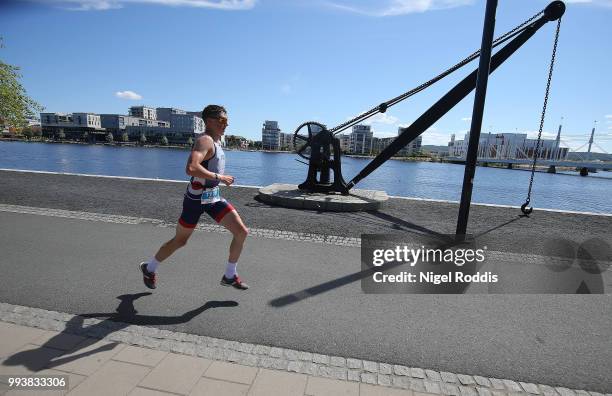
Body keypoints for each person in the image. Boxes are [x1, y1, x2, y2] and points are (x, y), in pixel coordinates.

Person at [140, 105, 249, 290]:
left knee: (241, 232)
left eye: (227, 121)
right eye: (222, 121)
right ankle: (149, 268)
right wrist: (220, 177)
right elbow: (191, 168)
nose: (226, 124)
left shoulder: (217, 142)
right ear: (210, 121)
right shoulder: (205, 141)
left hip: (212, 198)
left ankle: (230, 275)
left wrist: (217, 179)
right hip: (195, 200)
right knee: (180, 241)